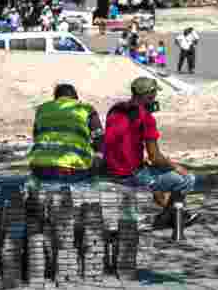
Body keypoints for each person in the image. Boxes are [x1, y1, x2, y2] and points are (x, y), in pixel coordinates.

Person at [104, 77, 200, 229]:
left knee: (153, 171)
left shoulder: (115, 109)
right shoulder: (145, 118)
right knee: (187, 179)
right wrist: (175, 166)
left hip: (110, 169)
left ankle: (171, 212)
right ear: (149, 96)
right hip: (130, 175)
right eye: (154, 94)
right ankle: (172, 218)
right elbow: (155, 157)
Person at [28, 82, 104, 183]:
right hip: (71, 169)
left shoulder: (42, 109)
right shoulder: (86, 109)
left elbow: (36, 136)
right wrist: (98, 158)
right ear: (75, 97)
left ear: (56, 98)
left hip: (39, 168)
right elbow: (99, 138)